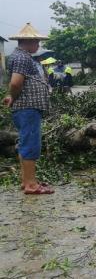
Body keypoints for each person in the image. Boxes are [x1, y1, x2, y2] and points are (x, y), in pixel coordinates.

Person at [2, 23, 53, 194]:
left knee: (26, 142)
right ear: (27, 41)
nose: (38, 45)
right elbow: (16, 82)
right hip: (28, 108)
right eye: (36, 41)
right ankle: (31, 185)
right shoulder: (22, 57)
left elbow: (17, 83)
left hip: (27, 108)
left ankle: (27, 181)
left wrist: (11, 96)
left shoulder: (21, 57)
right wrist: (13, 95)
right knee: (30, 144)